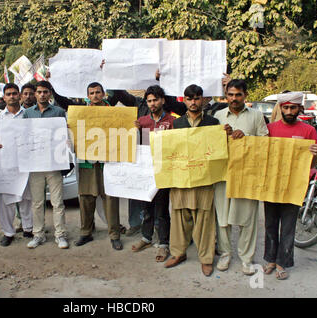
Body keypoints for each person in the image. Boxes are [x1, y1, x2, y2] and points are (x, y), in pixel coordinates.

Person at [164, 84, 221, 276]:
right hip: (181, 178)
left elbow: (218, 151)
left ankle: (206, 259)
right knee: (180, 217)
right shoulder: (177, 123)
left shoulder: (213, 123)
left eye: (197, 98)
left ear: (203, 100)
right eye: (189, 99)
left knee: (204, 219)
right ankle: (178, 253)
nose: (193, 102)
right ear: (184, 100)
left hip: (204, 178)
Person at [264, 92, 317, 280]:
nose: (289, 111)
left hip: (295, 186)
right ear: (280, 108)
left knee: (288, 226)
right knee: (270, 224)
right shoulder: (270, 129)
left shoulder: (308, 131)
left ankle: (283, 262)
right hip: (272, 184)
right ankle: (270, 260)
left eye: (293, 108)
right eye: (285, 107)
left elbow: (312, 164)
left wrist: (316, 153)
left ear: (300, 109)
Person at [213, 79, 269, 275]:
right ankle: (225, 254)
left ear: (245, 95)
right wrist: (222, 135)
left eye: (238, 94)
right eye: (230, 94)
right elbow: (210, 145)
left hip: (247, 175)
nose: (234, 98)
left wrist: (246, 138)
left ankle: (246, 259)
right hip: (223, 174)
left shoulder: (256, 116)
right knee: (222, 217)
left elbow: (265, 143)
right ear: (225, 95)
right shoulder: (218, 115)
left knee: (248, 219)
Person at [74, 82, 123, 250]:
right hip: (87, 161)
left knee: (110, 197)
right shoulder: (81, 113)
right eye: (91, 93)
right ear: (88, 96)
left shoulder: (114, 113)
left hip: (109, 162)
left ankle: (114, 235)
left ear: (103, 94)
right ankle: (86, 232)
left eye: (98, 92)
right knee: (86, 197)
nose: (95, 95)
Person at [23, 81, 69, 249]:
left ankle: (60, 235)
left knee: (57, 202)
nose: (42, 95)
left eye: (45, 92)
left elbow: (64, 135)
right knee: (37, 202)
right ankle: (38, 235)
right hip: (35, 165)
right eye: (39, 92)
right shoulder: (27, 114)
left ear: (50, 94)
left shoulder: (59, 112)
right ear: (35, 94)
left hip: (54, 163)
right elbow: (23, 136)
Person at [131, 85, 174, 261]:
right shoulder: (141, 122)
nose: (152, 103)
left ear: (162, 100)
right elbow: (133, 144)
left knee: (162, 209)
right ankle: (146, 238)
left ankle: (164, 244)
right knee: (146, 207)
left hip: (163, 171)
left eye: (155, 100)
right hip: (145, 172)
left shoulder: (172, 121)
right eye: (149, 101)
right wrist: (132, 131)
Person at [0, 83, 34, 247]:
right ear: (4, 97)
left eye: (14, 93)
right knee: (7, 201)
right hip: (7, 164)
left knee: (26, 198)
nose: (12, 96)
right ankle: (8, 232)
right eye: (8, 94)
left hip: (25, 162)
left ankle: (28, 228)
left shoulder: (28, 115)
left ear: (20, 95)